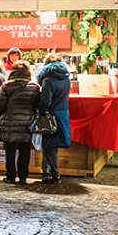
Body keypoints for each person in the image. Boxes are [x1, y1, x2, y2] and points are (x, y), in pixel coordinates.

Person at [0, 63, 40, 184]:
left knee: (10, 151)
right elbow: (37, 105)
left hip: (10, 123)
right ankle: (23, 177)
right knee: (25, 151)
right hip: (27, 124)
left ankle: (10, 176)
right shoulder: (34, 87)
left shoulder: (7, 86)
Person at [37, 56, 73, 184]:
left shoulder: (48, 80)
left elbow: (45, 101)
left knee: (48, 145)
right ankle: (48, 173)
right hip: (63, 114)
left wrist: (40, 111)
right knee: (52, 146)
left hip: (51, 115)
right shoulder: (67, 78)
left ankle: (53, 173)